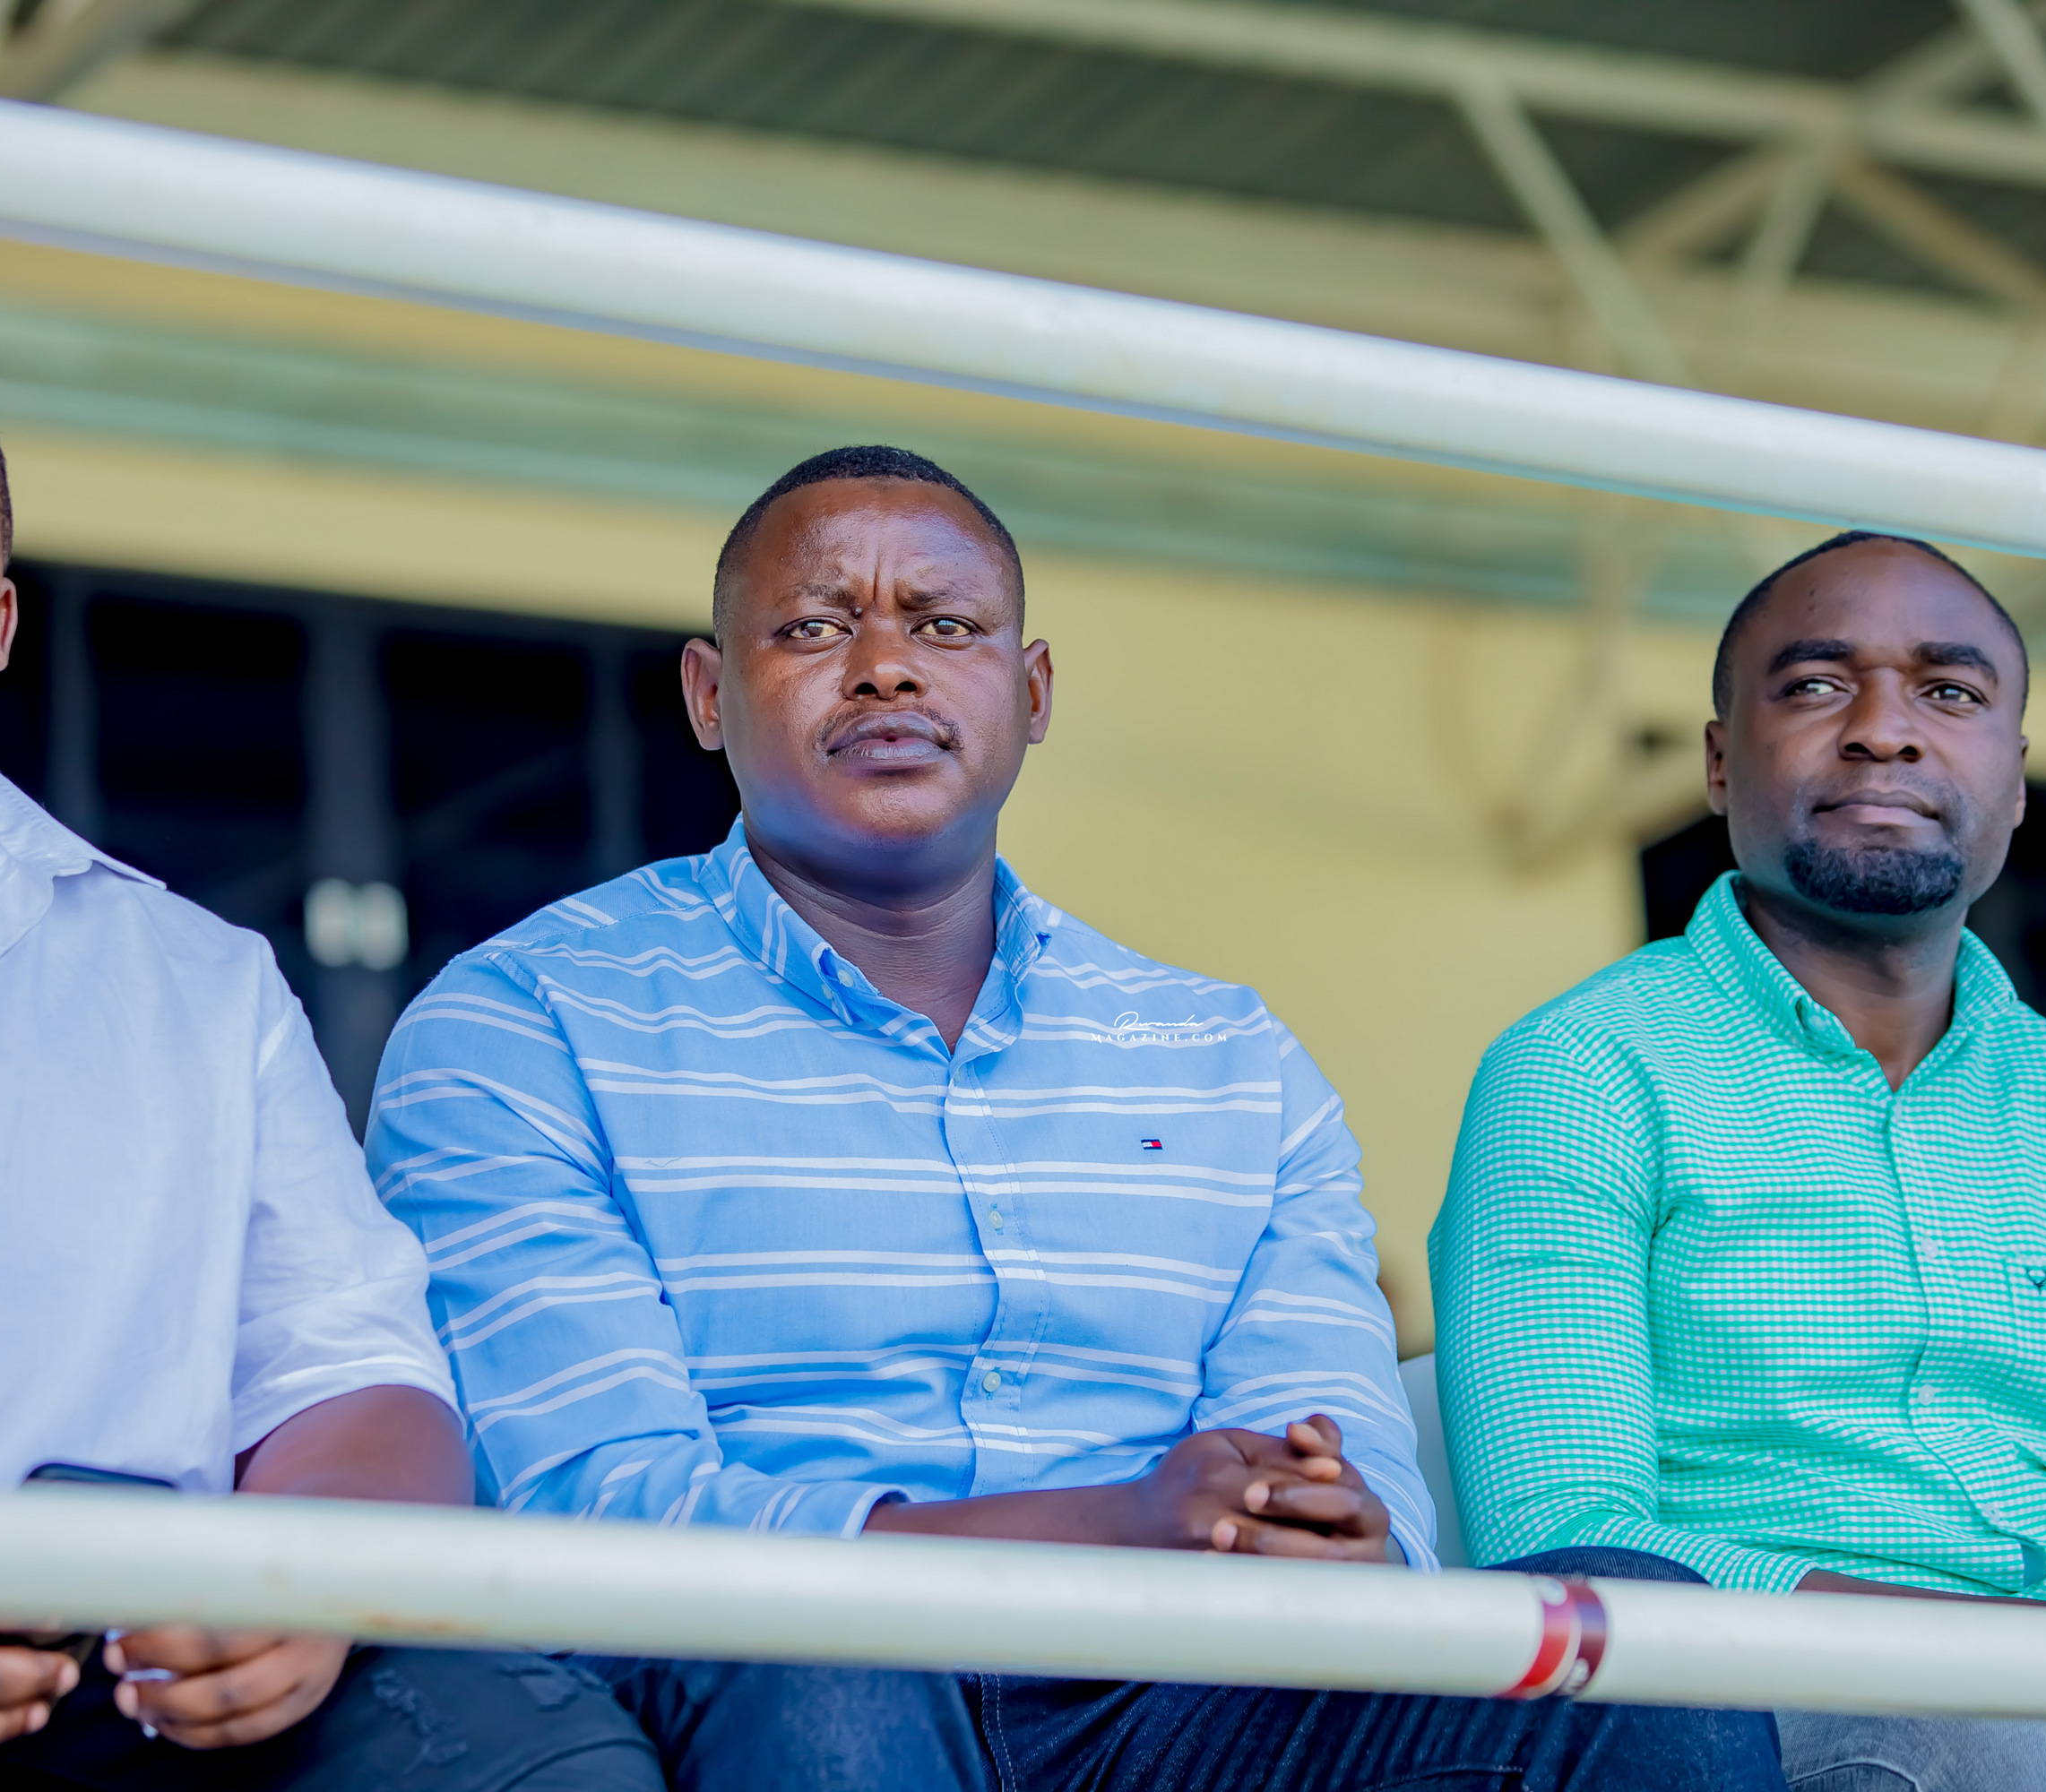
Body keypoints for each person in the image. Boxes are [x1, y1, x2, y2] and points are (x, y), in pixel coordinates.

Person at [367, 444, 1787, 1792]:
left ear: (1032, 690)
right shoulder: (525, 1022)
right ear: (706, 692)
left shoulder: (1226, 1058)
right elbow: (597, 1510)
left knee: (1637, 1647)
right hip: (757, 1684)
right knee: (825, 1660)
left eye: (945, 625)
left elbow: (1329, 1443)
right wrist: (1107, 1529)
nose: (885, 666)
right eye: (813, 628)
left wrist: (1332, 1524)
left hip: (1180, 1692)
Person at [0, 305, 662, 1792]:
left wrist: (303, 1580)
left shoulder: (196, 982)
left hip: (124, 1711)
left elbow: (352, 1376)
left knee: (530, 1755)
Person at [1431, 531, 2046, 1792]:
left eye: (1949, 693)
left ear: (2014, 781)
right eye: (1815, 685)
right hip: (1776, 1706)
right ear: (1717, 762)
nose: (1884, 732)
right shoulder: (1583, 1071)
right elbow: (1566, 1541)